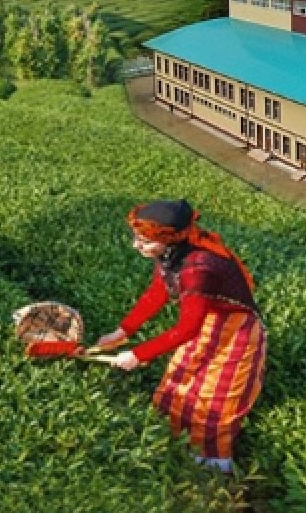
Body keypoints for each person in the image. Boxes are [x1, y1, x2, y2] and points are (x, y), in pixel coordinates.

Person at [97, 199, 266, 475]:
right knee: (180, 384)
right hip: (206, 320)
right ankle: (177, 454)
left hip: (235, 331)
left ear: (169, 240)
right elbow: (157, 293)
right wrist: (122, 332)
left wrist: (137, 356)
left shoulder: (198, 268)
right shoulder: (173, 255)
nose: (136, 246)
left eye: (144, 241)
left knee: (215, 401)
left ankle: (213, 473)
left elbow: (187, 329)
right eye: (137, 238)